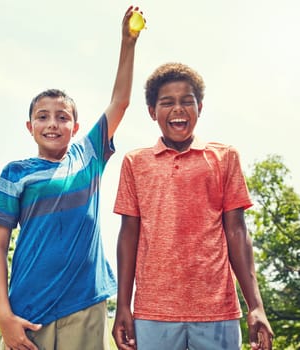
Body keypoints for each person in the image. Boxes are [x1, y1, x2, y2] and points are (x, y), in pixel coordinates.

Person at [0, 6, 143, 350]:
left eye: (62, 117)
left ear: (76, 127)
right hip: (27, 307)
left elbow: (121, 101)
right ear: (30, 127)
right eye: (43, 116)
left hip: (85, 303)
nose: (52, 123)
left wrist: (127, 43)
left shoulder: (88, 156)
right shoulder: (16, 173)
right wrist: (3, 315)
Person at [112, 62, 274, 350]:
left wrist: (256, 306)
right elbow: (128, 236)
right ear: (152, 112)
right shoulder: (135, 163)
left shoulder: (225, 157)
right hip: (153, 311)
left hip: (217, 310)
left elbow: (237, 233)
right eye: (167, 102)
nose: (178, 109)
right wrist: (123, 304)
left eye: (187, 101)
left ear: (200, 107)